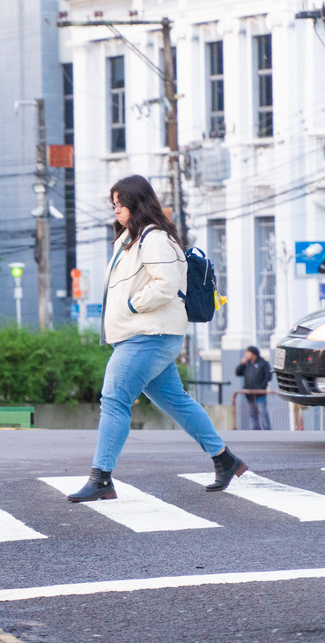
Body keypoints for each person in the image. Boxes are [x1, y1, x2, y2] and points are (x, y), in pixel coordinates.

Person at [68, 175, 246, 502]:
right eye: (114, 205)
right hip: (143, 335)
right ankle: (224, 459)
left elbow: (165, 284)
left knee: (114, 398)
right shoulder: (132, 239)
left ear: (136, 205)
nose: (116, 211)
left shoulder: (155, 238)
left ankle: (101, 477)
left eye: (120, 205)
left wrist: (135, 304)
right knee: (175, 402)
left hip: (150, 335)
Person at [235, 346, 272, 430]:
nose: (246, 355)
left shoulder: (263, 363)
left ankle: (267, 429)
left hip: (260, 393)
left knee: (262, 411)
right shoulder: (247, 364)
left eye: (248, 353)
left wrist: (262, 387)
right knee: (253, 412)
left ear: (253, 354)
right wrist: (242, 364)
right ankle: (255, 429)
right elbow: (237, 373)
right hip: (249, 394)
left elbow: (268, 376)